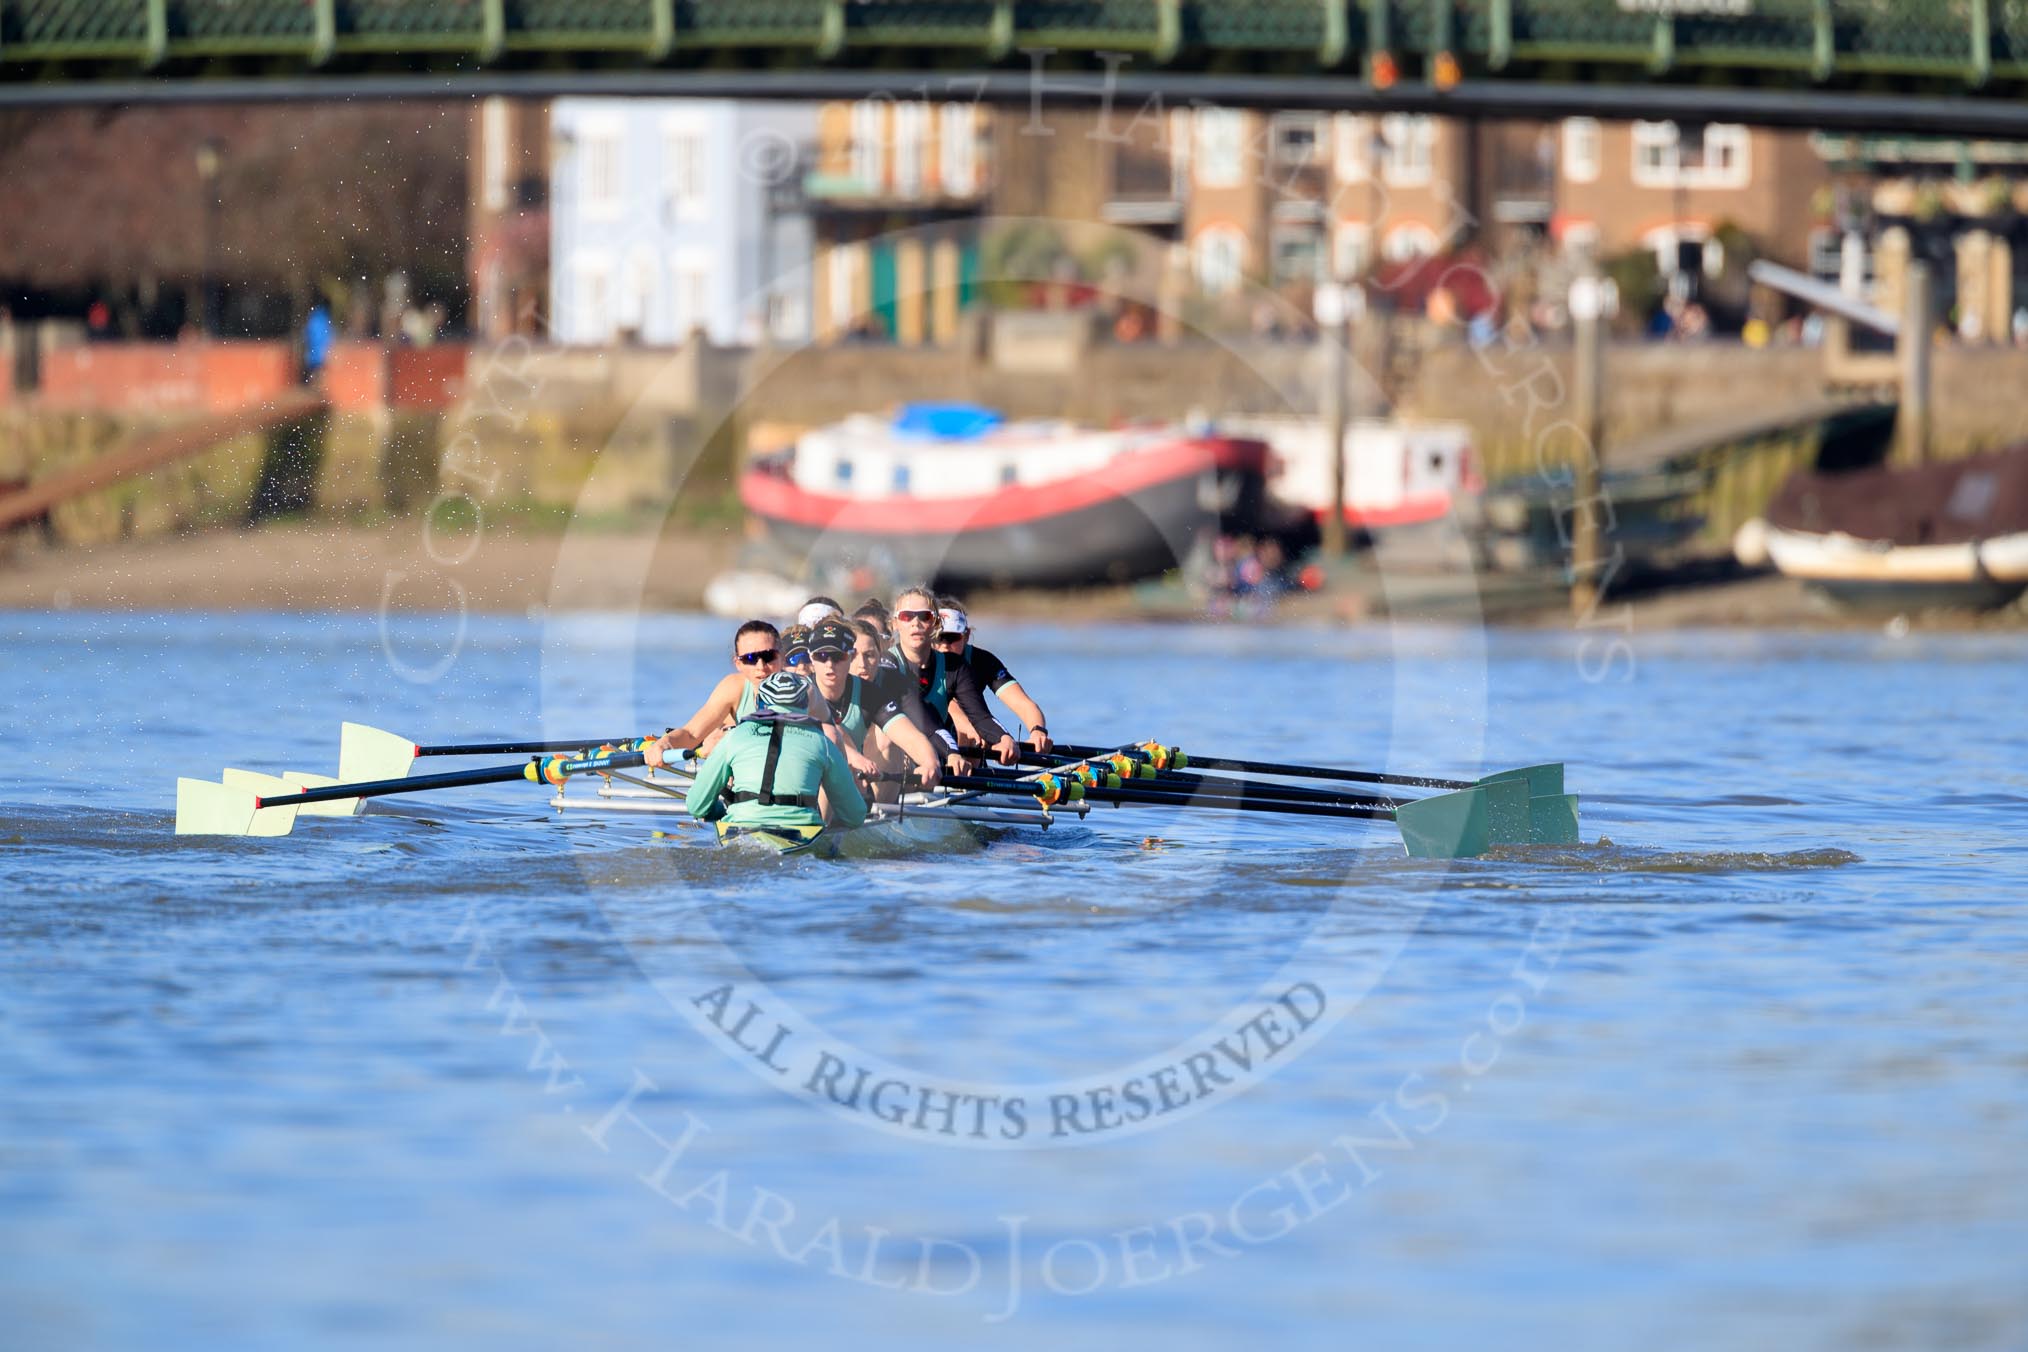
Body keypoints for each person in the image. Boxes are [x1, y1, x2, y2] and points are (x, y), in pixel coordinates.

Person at [684, 670, 867, 837]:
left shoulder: (733, 737)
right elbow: (855, 816)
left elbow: (696, 806)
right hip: (803, 835)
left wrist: (720, 812)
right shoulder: (823, 743)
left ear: (760, 703)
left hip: (739, 829)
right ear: (805, 704)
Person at [803, 617, 942, 793]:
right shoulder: (799, 692)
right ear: (811, 658)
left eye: (838, 656)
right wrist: (854, 758)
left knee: (888, 738)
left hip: (854, 788)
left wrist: (930, 762)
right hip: (808, 787)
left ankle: (882, 815)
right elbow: (828, 734)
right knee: (829, 757)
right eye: (821, 656)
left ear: (850, 656)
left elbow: (908, 735)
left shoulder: (870, 694)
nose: (829, 664)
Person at [888, 585, 1018, 768]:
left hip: (936, 753)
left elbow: (980, 716)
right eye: (906, 616)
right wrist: (952, 751)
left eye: (924, 616)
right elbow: (919, 712)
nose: (915, 623)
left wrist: (1003, 738)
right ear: (895, 624)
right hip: (891, 760)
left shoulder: (954, 666)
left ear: (935, 623)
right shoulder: (886, 664)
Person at [645, 620, 781, 767]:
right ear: (738, 664)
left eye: (768, 656)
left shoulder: (805, 691)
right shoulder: (734, 687)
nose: (761, 667)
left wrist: (731, 741)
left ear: (782, 656)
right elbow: (691, 734)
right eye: (750, 658)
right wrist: (665, 744)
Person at [932, 599, 1052, 754]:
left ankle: (970, 771)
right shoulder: (921, 662)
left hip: (970, 736)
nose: (944, 645)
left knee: (973, 728)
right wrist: (972, 728)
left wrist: (1038, 731)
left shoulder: (983, 661)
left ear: (966, 635)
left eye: (951, 638)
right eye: (938, 638)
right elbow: (949, 707)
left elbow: (1023, 703)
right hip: (930, 733)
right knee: (965, 727)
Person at [848, 618, 887, 683]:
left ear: (880, 655)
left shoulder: (900, 688)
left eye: (869, 655)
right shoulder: (830, 689)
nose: (862, 664)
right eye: (852, 655)